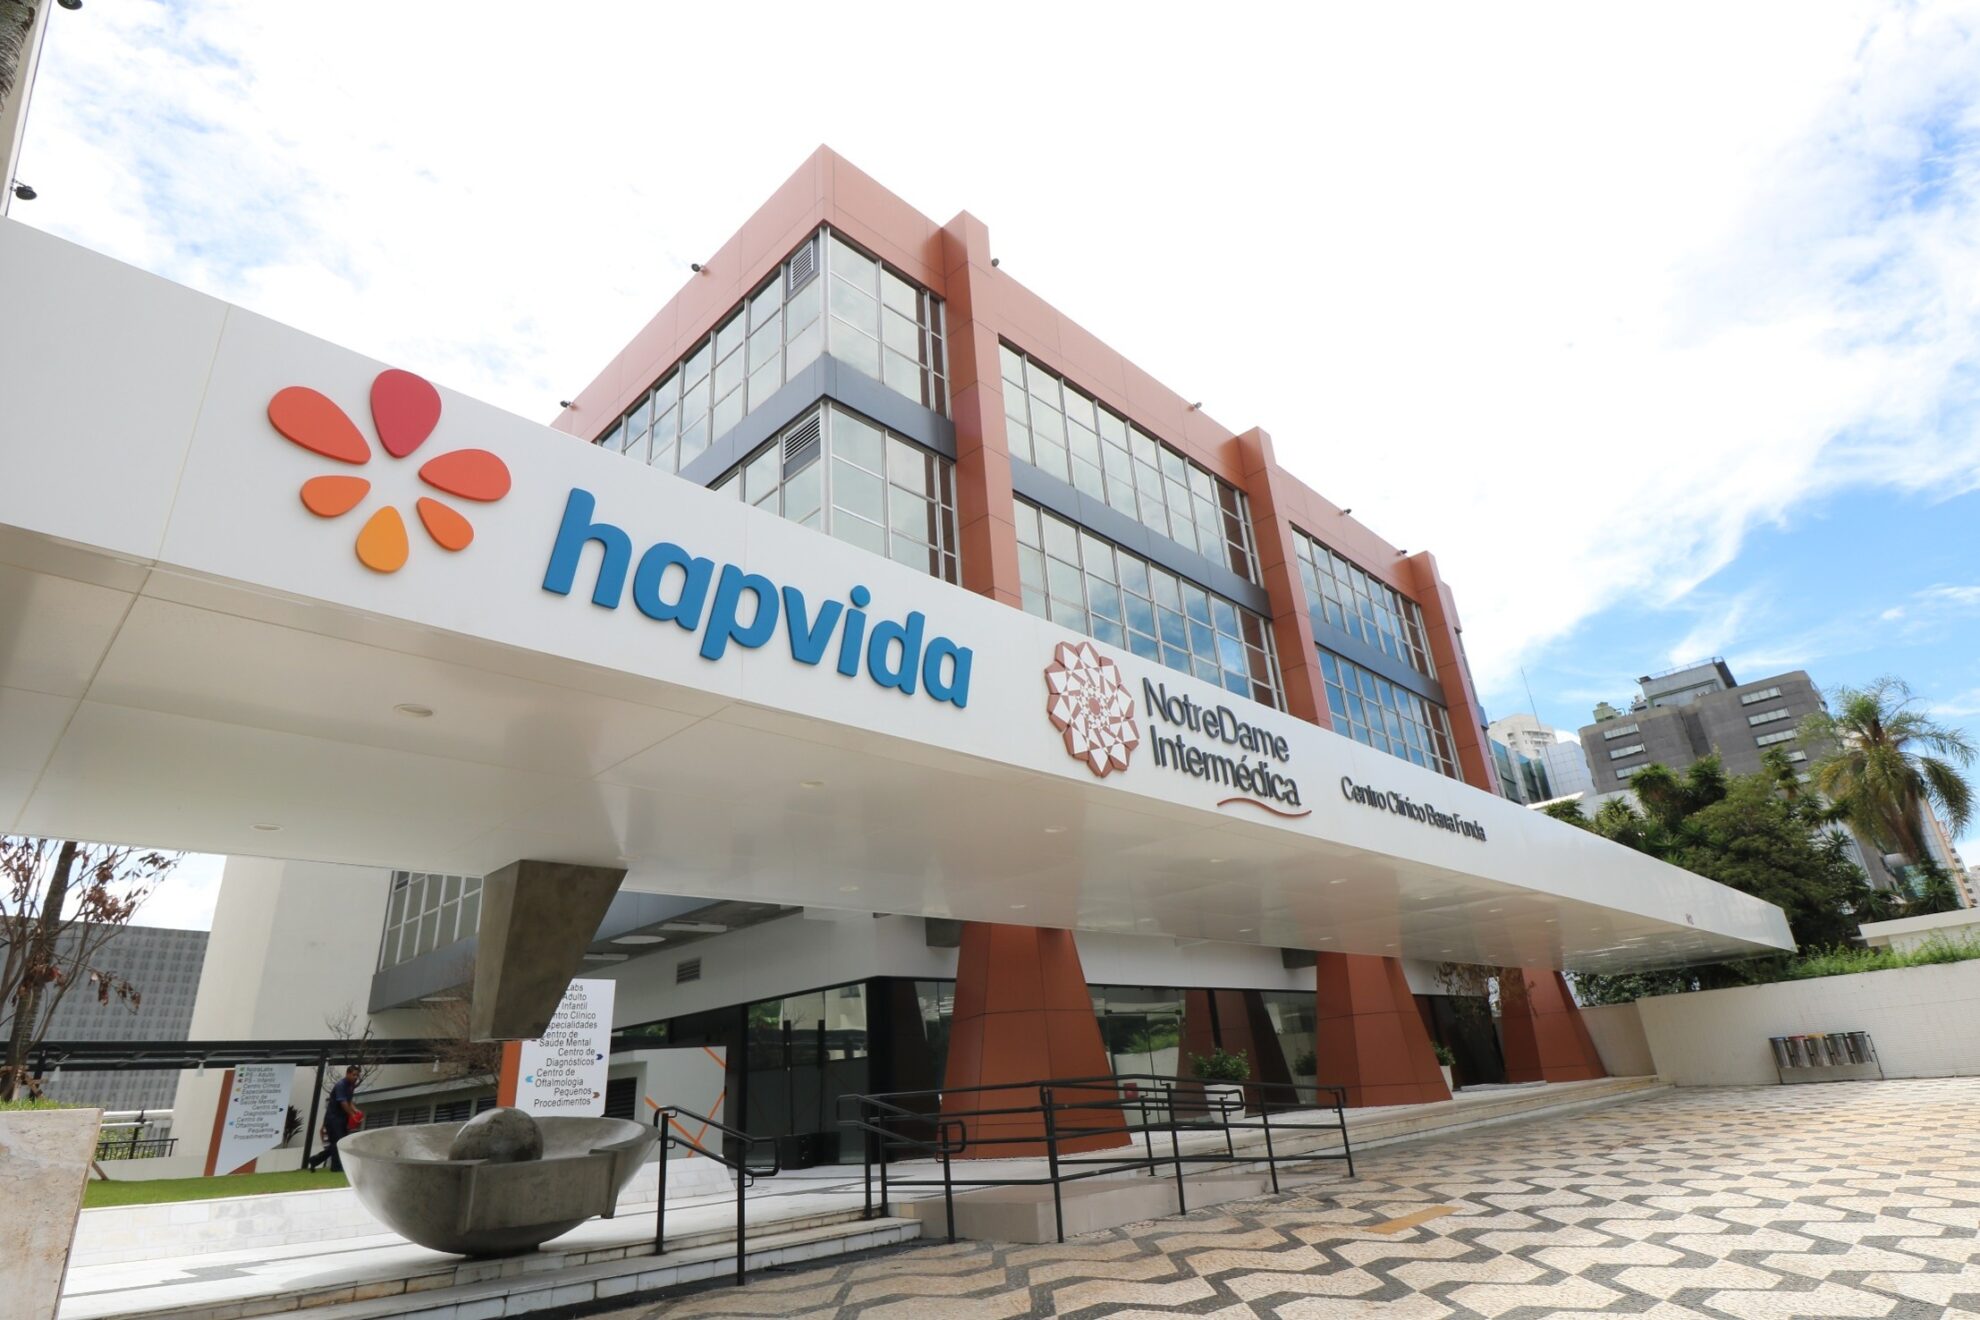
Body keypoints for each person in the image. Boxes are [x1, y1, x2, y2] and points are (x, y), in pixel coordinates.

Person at [307, 1065, 362, 1172]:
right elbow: (343, 1103)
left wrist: (356, 1111)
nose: (356, 1077)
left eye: (357, 1075)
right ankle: (336, 1167)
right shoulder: (341, 1085)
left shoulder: (350, 1086)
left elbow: (349, 1102)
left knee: (338, 1143)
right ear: (347, 1074)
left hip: (342, 1118)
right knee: (338, 1142)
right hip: (333, 1119)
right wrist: (352, 1115)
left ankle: (314, 1160)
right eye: (354, 1075)